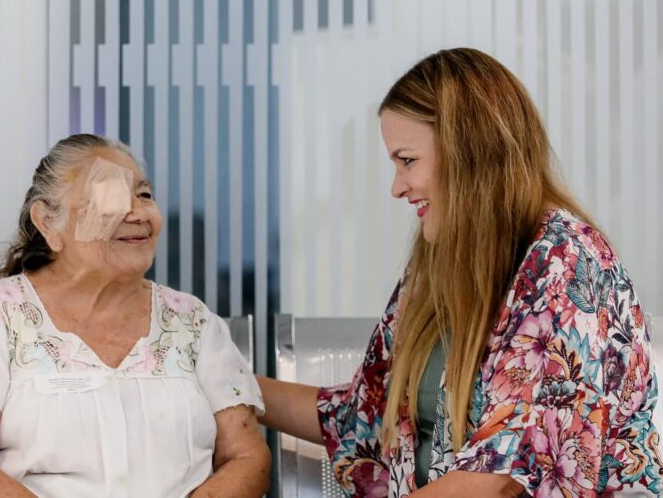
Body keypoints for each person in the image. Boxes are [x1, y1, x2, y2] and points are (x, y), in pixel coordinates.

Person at [258, 48, 662, 497]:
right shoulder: (439, 265)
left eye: (407, 161)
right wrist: (226, 382)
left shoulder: (567, 263)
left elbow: (498, 479)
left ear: (467, 152)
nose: (397, 187)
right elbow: (359, 418)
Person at [0, 134, 270, 497]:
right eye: (109, 197)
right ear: (48, 223)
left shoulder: (193, 323)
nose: (137, 213)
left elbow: (246, 456)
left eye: (144, 195)